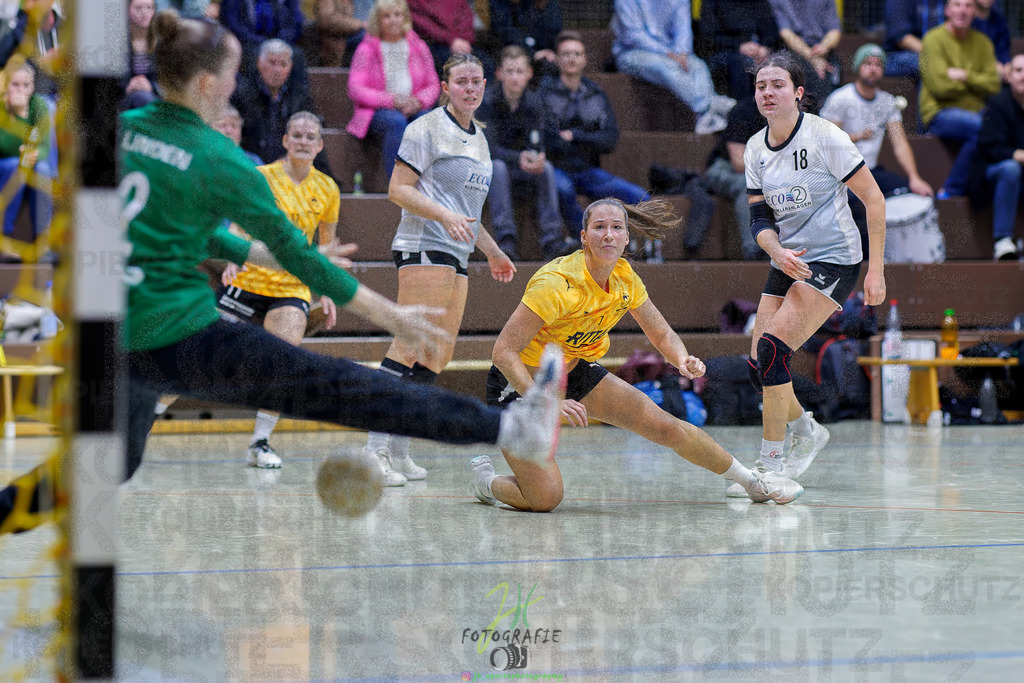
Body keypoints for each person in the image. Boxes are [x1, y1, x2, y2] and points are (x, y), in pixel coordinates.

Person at [0, 10, 564, 535]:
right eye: (232, 73)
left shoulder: (122, 128)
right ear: (207, 86)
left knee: (109, 463)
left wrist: (262, 257)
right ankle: (512, 429)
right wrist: (387, 312)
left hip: (107, 329)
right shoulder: (220, 158)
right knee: (338, 388)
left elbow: (173, 224)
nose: (234, 83)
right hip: (172, 333)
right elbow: (294, 252)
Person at [469, 197, 804, 512]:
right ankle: (486, 482)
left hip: (576, 371)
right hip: (521, 386)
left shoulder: (625, 277)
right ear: (584, 237)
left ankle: (750, 482)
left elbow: (659, 332)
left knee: (667, 427)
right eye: (599, 227)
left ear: (627, 237)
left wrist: (681, 358)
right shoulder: (556, 283)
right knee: (545, 498)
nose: (608, 234)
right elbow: (503, 352)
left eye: (617, 227)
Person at [725, 52, 887, 497]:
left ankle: (769, 466)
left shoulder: (825, 137)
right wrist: (776, 250)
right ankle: (807, 430)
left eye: (777, 84)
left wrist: (876, 271)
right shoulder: (756, 147)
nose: (767, 93)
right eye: (760, 86)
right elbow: (760, 221)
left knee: (775, 351)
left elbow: (874, 200)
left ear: (798, 92)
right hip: (787, 257)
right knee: (760, 362)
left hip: (835, 259)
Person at [361, 53, 516, 486]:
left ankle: (399, 447)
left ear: (485, 85)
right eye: (461, 82)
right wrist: (442, 216)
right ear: (445, 86)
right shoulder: (425, 128)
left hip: (458, 252)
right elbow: (398, 190)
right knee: (409, 343)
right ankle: (373, 450)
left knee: (437, 353)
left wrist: (492, 251)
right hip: (423, 244)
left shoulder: (480, 139)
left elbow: (466, 213)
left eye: (476, 81)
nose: (470, 88)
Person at [215, 111, 343, 467]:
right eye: (296, 135)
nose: (302, 141)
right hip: (250, 278)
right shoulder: (261, 177)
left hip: (292, 285)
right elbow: (241, 221)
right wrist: (233, 256)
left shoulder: (328, 189)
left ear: (319, 145)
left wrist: (327, 291)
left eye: (310, 136)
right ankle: (146, 420)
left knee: (283, 362)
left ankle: (260, 442)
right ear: (285, 141)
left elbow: (327, 247)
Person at [820, 43, 934, 247]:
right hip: (842, 173)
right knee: (855, 203)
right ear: (858, 67)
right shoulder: (840, 98)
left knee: (906, 191)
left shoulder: (887, 102)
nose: (873, 68)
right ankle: (863, 259)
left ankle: (899, 251)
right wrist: (856, 136)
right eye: (867, 63)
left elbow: (900, 144)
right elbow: (826, 142)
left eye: (878, 64)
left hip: (870, 170)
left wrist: (914, 177)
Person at [539, 31, 648, 237]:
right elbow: (550, 141)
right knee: (562, 189)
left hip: (587, 170)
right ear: (557, 58)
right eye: (566, 54)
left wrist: (575, 136)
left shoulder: (595, 94)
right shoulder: (545, 94)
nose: (572, 58)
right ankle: (586, 243)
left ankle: (644, 251)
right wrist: (588, 139)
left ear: (585, 59)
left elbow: (610, 140)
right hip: (557, 168)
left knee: (640, 197)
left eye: (577, 54)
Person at [476, 45, 573, 261]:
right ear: (499, 73)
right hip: (495, 168)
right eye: (509, 72)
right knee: (498, 167)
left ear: (529, 73)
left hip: (522, 168)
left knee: (545, 167)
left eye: (519, 72)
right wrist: (517, 158)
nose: (514, 78)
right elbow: (486, 148)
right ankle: (506, 239)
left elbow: (538, 139)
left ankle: (552, 240)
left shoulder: (534, 101)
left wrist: (537, 156)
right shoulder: (487, 101)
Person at [346, 0, 439, 179]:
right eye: (387, 16)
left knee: (426, 121)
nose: (394, 20)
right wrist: (391, 100)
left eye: (398, 15)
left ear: (405, 17)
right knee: (396, 122)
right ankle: (397, 184)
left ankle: (428, 184)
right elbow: (355, 88)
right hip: (377, 111)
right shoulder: (366, 48)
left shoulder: (418, 46)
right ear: (377, 20)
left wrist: (418, 101)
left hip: (414, 106)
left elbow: (433, 84)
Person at [611, 0, 735, 134]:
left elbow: (683, 30)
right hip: (632, 52)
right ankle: (709, 105)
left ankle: (705, 118)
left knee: (698, 65)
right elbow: (634, 36)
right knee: (666, 66)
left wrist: (681, 52)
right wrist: (668, 53)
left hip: (672, 53)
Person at [919, 0, 999, 198]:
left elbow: (994, 85)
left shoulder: (983, 42)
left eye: (968, 6)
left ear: (975, 11)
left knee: (996, 128)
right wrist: (977, 84)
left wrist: (965, 76)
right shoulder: (932, 39)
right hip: (940, 113)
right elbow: (940, 87)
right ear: (946, 10)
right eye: (957, 4)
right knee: (983, 128)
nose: (962, 11)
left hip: (978, 113)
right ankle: (952, 188)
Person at [231, 38, 335, 179]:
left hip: (289, 164)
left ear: (291, 66)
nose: (277, 70)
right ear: (259, 63)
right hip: (251, 167)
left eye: (283, 64)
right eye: (272, 63)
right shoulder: (241, 94)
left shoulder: (299, 96)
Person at [968, 51, 1024, 261]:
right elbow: (991, 148)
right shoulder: (998, 103)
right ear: (1008, 75)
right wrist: (1020, 156)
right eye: (1019, 71)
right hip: (991, 173)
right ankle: (1003, 241)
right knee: (1011, 168)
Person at [702, 96, 767, 261]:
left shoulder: (798, 115)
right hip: (726, 168)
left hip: (768, 173)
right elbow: (739, 163)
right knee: (750, 186)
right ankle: (754, 250)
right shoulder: (744, 110)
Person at [0, 58, 51, 261]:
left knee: (43, 169)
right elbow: (4, 146)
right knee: (15, 165)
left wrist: (36, 152)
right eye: (15, 84)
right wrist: (20, 114)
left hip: (26, 164)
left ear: (33, 87)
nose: (21, 90)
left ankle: (42, 240)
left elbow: (44, 145)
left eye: (26, 85)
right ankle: (4, 236)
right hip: (5, 165)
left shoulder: (38, 105)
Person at [767, 0, 842, 113]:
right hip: (794, 49)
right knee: (806, 73)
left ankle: (827, 119)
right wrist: (812, 57)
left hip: (822, 49)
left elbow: (835, 31)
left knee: (833, 72)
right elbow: (786, 34)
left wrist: (824, 47)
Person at [697, 0, 778, 101]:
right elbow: (710, 36)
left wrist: (764, 48)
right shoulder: (712, 2)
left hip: (758, 49)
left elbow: (771, 30)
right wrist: (739, 46)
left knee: (785, 60)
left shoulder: (760, 3)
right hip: (725, 51)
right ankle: (744, 110)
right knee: (741, 63)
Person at [404, 0, 493, 78]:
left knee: (485, 63)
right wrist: (452, 40)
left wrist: (462, 39)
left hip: (463, 42)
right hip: (436, 43)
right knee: (453, 66)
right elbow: (424, 26)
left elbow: (465, 14)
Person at [489, 0, 563, 75]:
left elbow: (555, 33)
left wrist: (550, 51)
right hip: (516, 50)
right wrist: (534, 53)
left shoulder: (552, 5)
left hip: (544, 55)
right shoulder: (506, 4)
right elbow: (506, 33)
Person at [883, 0, 945, 77]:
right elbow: (902, 39)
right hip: (898, 56)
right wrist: (936, 54)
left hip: (937, 54)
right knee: (928, 63)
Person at [123, 0, 160, 111]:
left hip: (153, 95)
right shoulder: (119, 40)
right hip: (125, 96)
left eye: (149, 7)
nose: (144, 12)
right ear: (128, 10)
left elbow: (167, 80)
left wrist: (151, 87)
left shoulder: (161, 42)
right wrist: (127, 86)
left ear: (154, 10)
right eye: (138, 8)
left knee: (145, 98)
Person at [971, 0, 1010, 82]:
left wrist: (1006, 64)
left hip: (999, 70)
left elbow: (1003, 47)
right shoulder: (968, 20)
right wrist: (992, 64)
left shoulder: (998, 20)